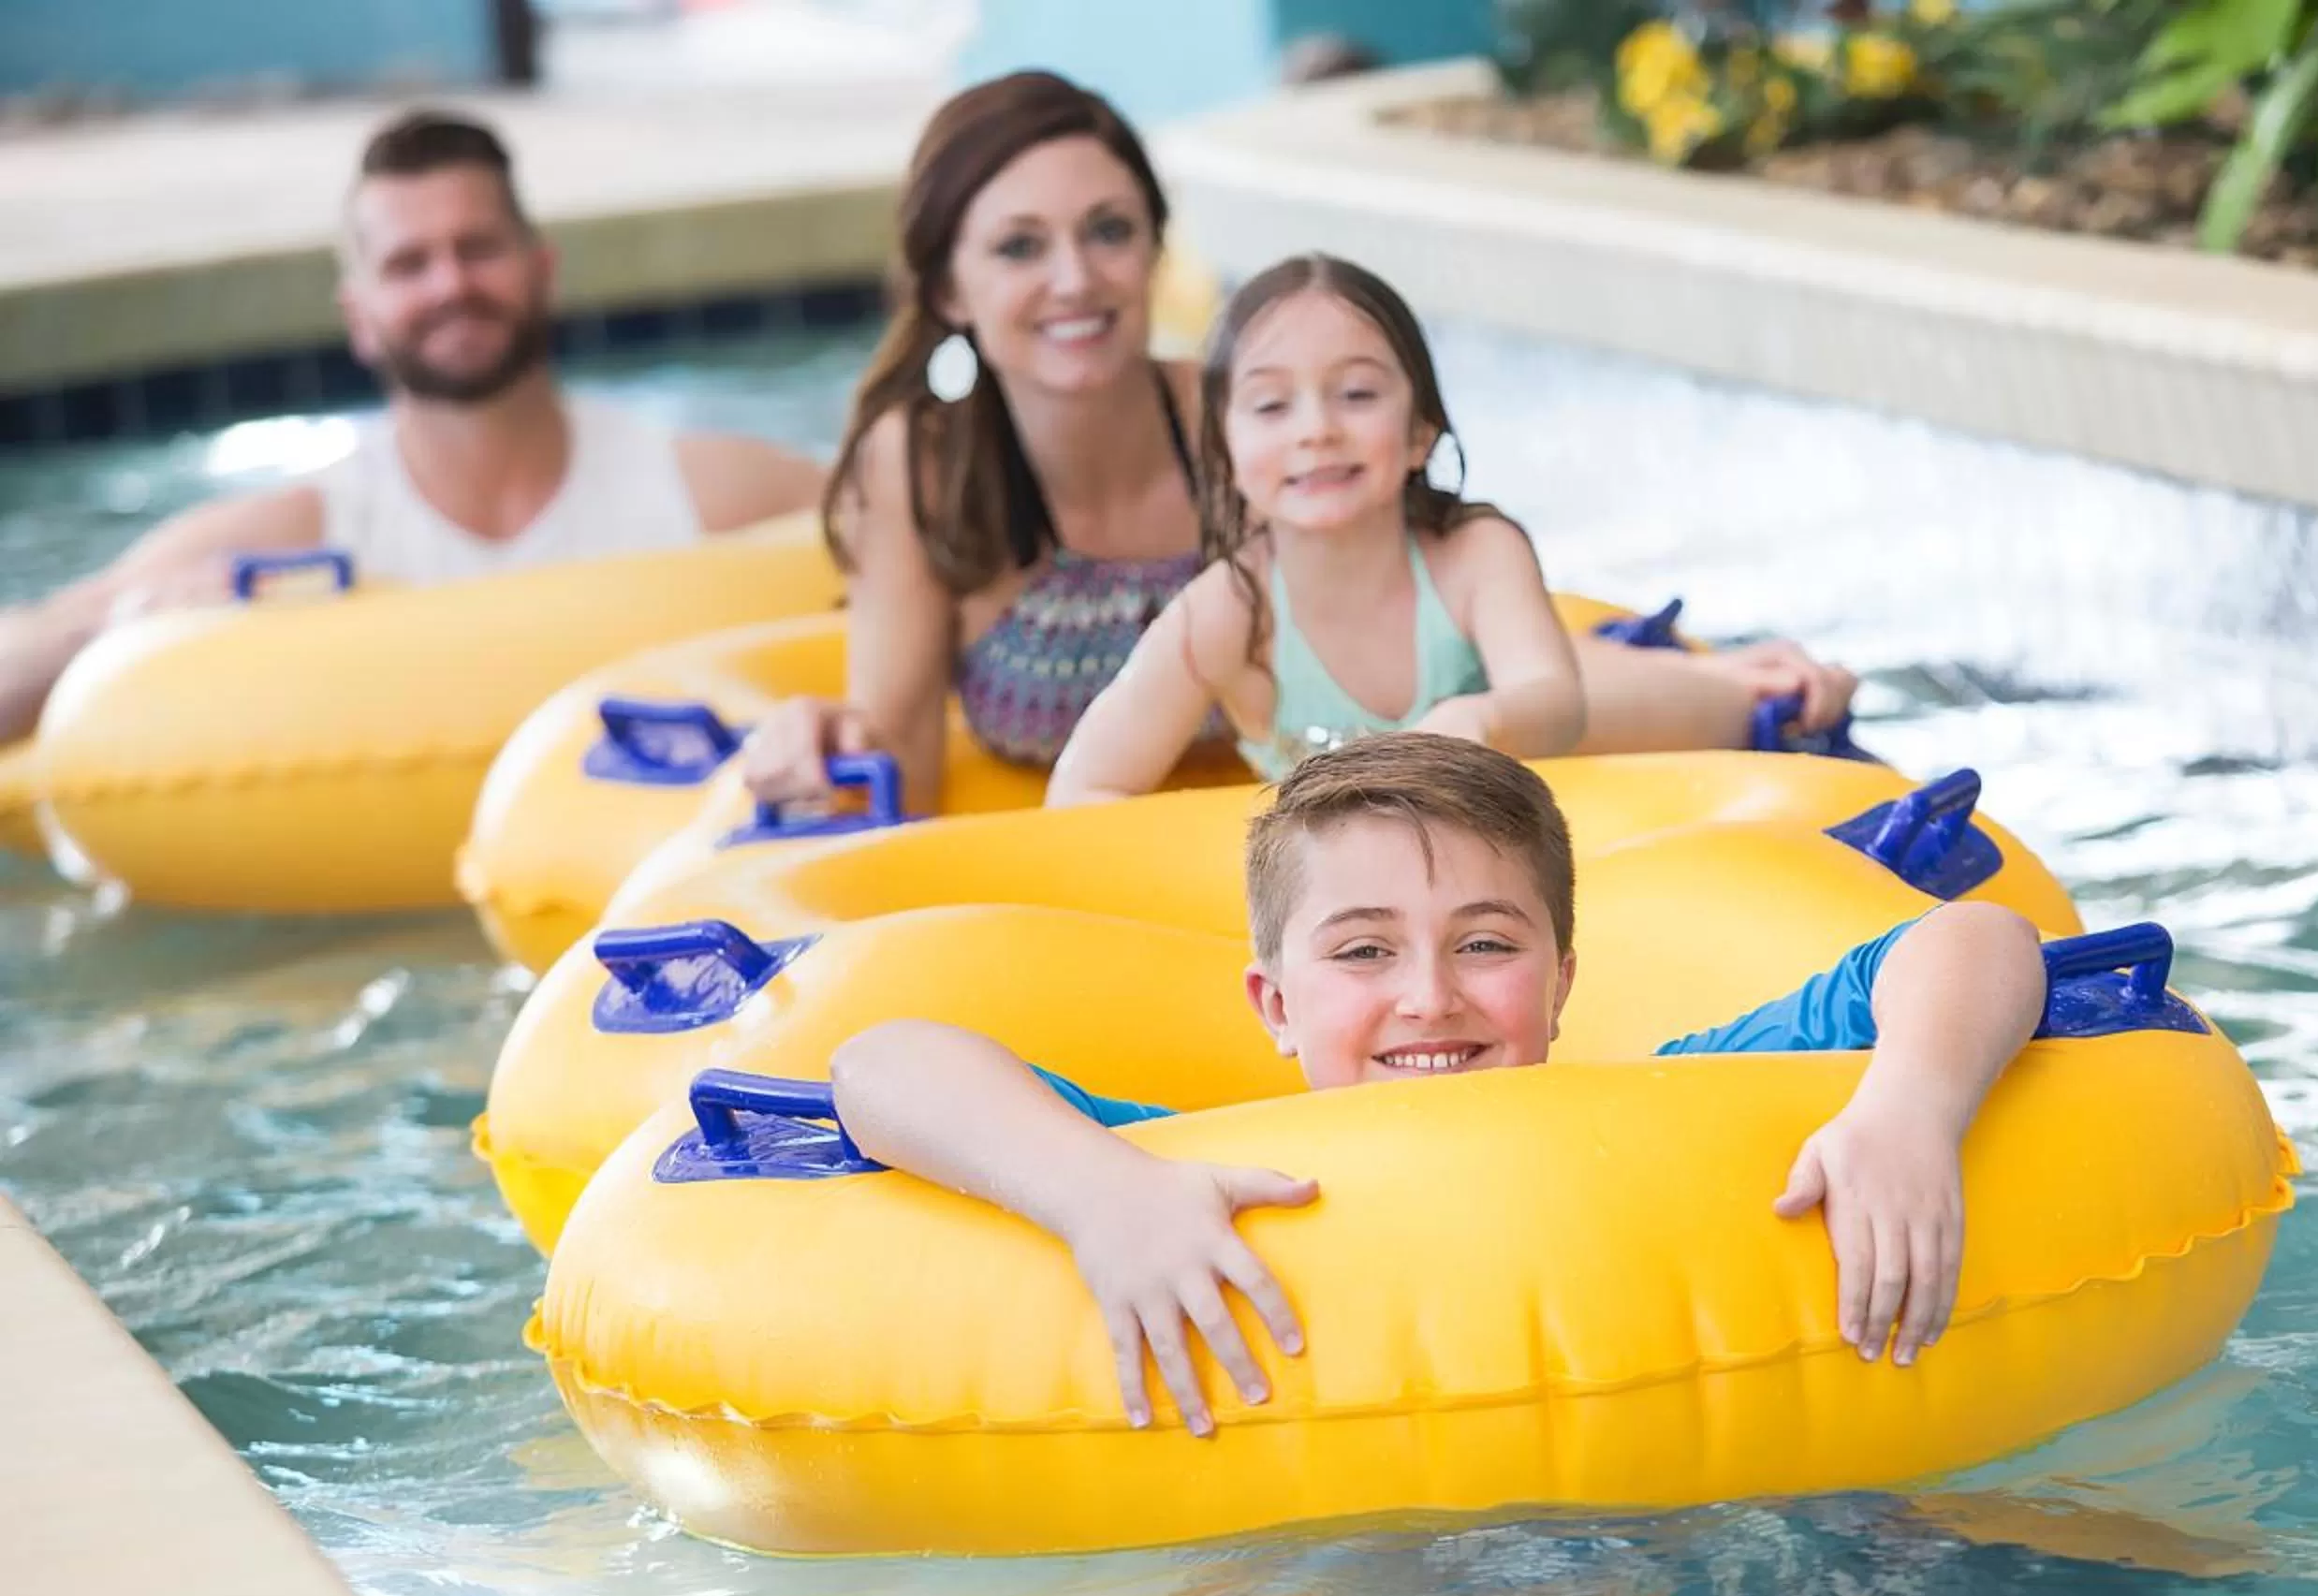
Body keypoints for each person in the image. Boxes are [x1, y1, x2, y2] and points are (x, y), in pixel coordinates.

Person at [834, 733, 2049, 1438]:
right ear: (1275, 1005)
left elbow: (1981, 940)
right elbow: (876, 1066)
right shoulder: (1189, 1175)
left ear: (1563, 979)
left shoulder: (1668, 1110)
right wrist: (1098, 1198)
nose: (1430, 997)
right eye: (1364, 952)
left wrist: (1909, 1108)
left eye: (1486, 943)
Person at [738, 70, 1858, 818]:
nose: (1074, 278)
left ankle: (1750, 698)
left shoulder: (1248, 418)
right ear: (946, 284)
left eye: (1109, 230)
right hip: (1214, 819)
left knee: (1536, 698)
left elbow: (1438, 624)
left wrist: (1687, 685)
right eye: (1021, 246)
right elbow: (902, 767)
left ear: (1153, 249)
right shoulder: (924, 469)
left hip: (1368, 752)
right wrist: (820, 739)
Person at [0, 108, 824, 746]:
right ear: (359, 316)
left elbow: (923, 547)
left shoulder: (704, 491)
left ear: (542, 271)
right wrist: (125, 625)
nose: (450, 285)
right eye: (408, 264)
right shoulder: (300, 534)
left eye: (478, 248)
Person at [1049, 254, 1585, 802]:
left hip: (1511, 796)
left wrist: (1482, 718)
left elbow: (1561, 707)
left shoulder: (1474, 556)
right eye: (1272, 404)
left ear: (1422, 431)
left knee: (1659, 699)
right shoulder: (1229, 611)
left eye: (1357, 394)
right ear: (1225, 453)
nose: (1316, 430)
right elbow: (1087, 783)